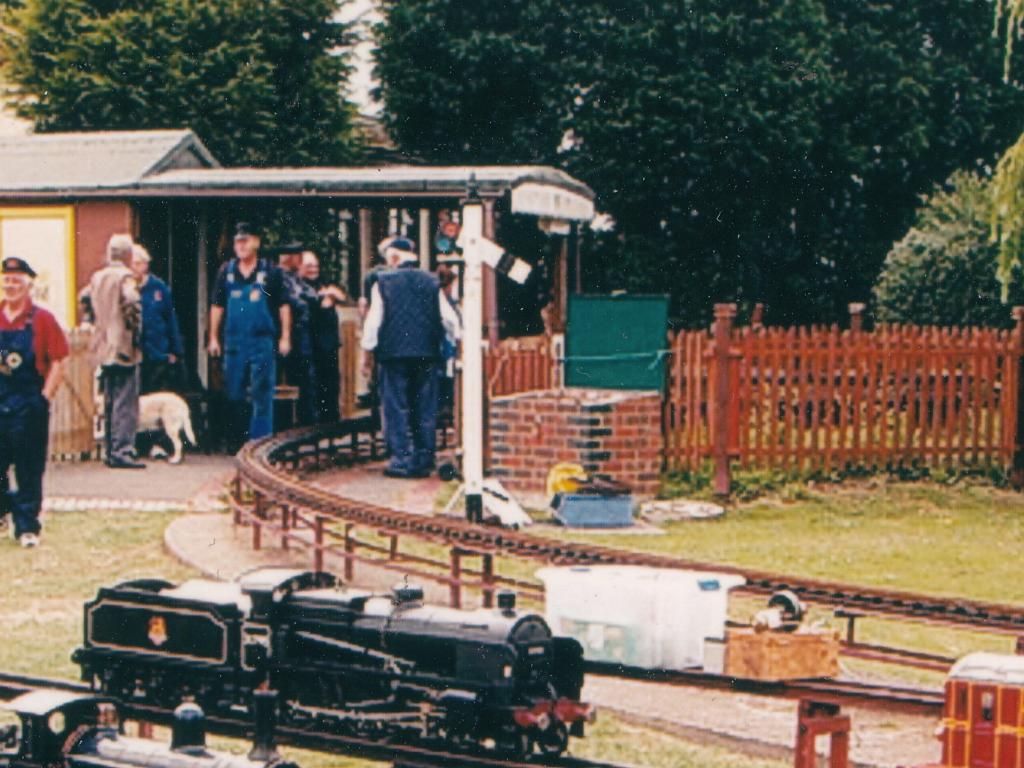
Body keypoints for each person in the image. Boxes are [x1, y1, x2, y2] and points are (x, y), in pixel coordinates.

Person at [361, 237, 460, 478]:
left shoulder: (382, 283)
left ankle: (401, 460)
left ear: (394, 257)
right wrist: (454, 344)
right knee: (425, 406)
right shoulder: (432, 282)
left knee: (396, 406)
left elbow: (373, 323)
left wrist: (367, 354)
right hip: (427, 353)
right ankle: (424, 459)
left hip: (393, 354)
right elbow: (451, 320)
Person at [0, 257, 69, 547]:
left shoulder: (43, 320)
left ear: (28, 285)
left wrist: (44, 398)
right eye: (7, 280)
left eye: (17, 281)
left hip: (29, 404)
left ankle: (27, 527)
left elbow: (59, 360)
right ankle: (3, 513)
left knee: (29, 468)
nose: (11, 285)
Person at [208, 222, 291, 447]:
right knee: (233, 393)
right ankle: (236, 444)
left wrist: (285, 337)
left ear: (256, 243)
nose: (241, 246)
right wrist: (213, 338)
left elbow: (283, 305)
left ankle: (260, 444)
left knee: (262, 393)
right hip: (234, 342)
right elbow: (217, 306)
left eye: (245, 241)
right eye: (238, 242)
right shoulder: (226, 272)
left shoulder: (270, 271)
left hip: (261, 342)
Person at [90, 233, 144, 469]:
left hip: (103, 346)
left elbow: (85, 299)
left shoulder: (97, 277)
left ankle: (109, 450)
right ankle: (122, 450)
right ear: (128, 254)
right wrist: (135, 329)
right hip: (122, 345)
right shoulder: (125, 277)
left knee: (109, 399)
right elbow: (131, 302)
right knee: (125, 400)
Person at [300, 251, 347, 423]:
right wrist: (326, 297)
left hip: (329, 341)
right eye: (309, 266)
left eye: (315, 266)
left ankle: (332, 420)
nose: (314, 269)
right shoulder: (300, 285)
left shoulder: (323, 282)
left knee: (331, 382)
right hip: (311, 342)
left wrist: (330, 295)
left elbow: (341, 296)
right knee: (314, 384)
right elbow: (320, 303)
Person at [275, 242, 318, 426]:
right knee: (290, 380)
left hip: (303, 334)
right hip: (289, 333)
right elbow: (295, 302)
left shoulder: (295, 277)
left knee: (307, 379)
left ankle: (307, 423)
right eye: (297, 256)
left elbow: (312, 294)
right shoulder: (279, 276)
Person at [131, 244, 184, 394]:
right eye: (131, 264)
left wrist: (176, 351)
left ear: (145, 265)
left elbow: (171, 319)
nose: (133, 268)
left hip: (158, 354)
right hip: (135, 357)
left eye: (137, 264)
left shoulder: (159, 287)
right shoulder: (126, 289)